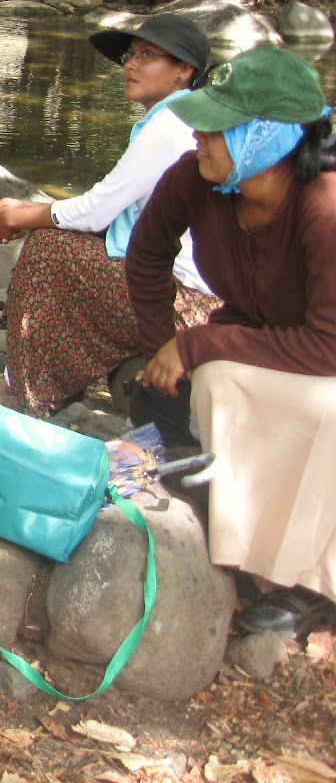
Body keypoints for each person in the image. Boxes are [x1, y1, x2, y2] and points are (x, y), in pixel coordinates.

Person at [126, 44, 336, 639]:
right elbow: (147, 255)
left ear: (266, 139)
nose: (197, 134)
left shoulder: (325, 208)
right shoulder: (196, 177)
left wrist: (196, 346)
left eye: (216, 126)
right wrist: (162, 349)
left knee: (316, 412)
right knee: (185, 391)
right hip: (268, 340)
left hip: (327, 361)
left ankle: (309, 584)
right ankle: (241, 547)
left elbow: (329, 345)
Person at [0, 14, 218, 414]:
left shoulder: (170, 125)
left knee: (50, 250)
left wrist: (20, 217)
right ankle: (51, 381)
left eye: (147, 55)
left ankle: (23, 391)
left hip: (188, 303)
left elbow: (96, 211)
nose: (131, 64)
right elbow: (111, 207)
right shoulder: (181, 117)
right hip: (192, 296)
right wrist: (26, 210)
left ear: (184, 70)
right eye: (130, 55)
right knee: (61, 239)